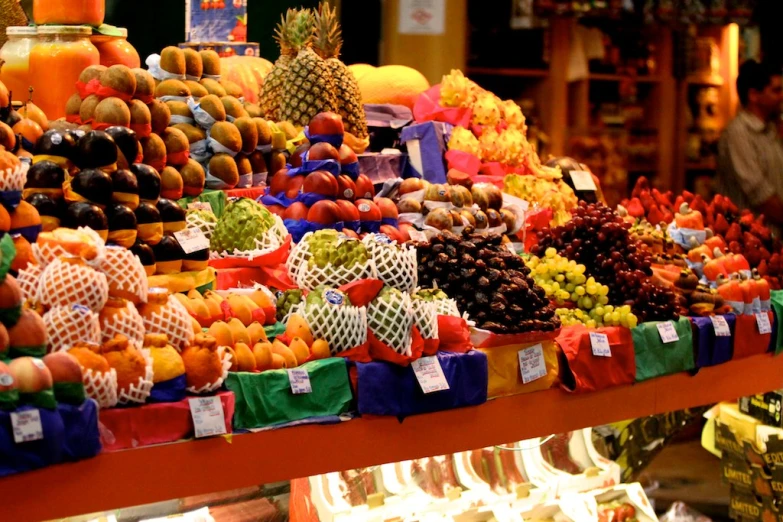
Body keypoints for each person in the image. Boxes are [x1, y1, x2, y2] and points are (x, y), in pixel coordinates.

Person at [717, 60, 783, 228]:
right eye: (776, 90)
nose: (782, 96)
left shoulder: (770, 129)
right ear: (754, 95)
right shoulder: (739, 133)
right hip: (749, 237)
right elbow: (760, 195)